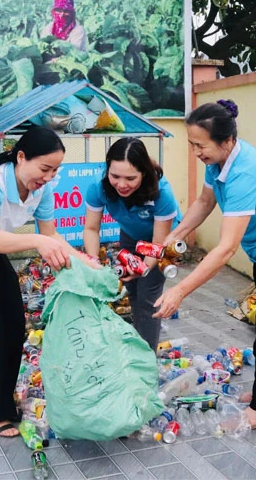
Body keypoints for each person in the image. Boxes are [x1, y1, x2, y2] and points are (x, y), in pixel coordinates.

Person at [152, 99, 256, 429]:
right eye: (192, 145)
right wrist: (174, 236)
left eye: (202, 145)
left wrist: (180, 291)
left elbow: (226, 248)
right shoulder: (218, 163)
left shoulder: (244, 174)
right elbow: (204, 201)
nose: (197, 152)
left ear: (226, 141)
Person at [0, 126, 95, 438]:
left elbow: (51, 236)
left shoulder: (42, 189)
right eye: (44, 168)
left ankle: (2, 399)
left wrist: (87, 263)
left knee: (13, 322)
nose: (48, 177)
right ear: (21, 157)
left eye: (55, 170)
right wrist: (37, 241)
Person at [83, 138, 182, 351]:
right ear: (107, 169)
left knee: (148, 297)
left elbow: (157, 243)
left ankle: (145, 360)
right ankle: (135, 341)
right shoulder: (98, 186)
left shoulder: (161, 191)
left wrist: (143, 269)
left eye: (130, 178)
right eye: (115, 176)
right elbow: (91, 229)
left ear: (143, 173)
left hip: (160, 241)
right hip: (130, 235)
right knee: (131, 292)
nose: (121, 184)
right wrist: (92, 263)